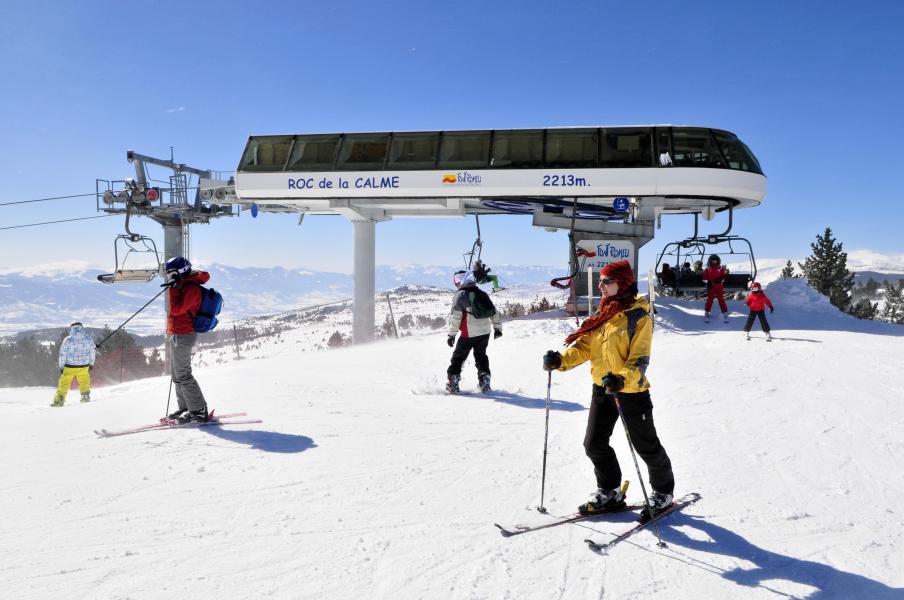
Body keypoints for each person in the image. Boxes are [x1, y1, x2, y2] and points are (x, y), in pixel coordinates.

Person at [542, 260, 675, 520]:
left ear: (622, 283)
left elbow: (639, 361)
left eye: (607, 281)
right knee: (593, 444)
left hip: (631, 391)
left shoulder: (638, 316)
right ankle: (610, 490)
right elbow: (583, 348)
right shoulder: (602, 314)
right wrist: (560, 360)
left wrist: (620, 379)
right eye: (600, 281)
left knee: (645, 445)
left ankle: (663, 493)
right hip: (602, 389)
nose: (601, 286)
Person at [163, 256, 210, 423]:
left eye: (172, 273)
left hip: (184, 334)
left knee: (184, 375)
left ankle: (198, 410)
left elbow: (176, 310)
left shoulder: (191, 288)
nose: (169, 276)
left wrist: (173, 288)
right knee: (176, 376)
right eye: (168, 274)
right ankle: (186, 407)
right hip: (177, 333)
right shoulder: (183, 284)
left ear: (181, 272)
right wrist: (175, 285)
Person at [446, 270, 502, 394]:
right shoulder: (482, 293)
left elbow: (456, 317)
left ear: (459, 282)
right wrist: (497, 328)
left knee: (458, 357)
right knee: (481, 356)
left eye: (456, 283)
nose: (456, 286)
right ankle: (485, 380)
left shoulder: (460, 295)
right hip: (485, 332)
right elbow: (494, 311)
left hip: (469, 333)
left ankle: (453, 382)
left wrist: (451, 335)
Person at [52, 322, 96, 406]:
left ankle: (59, 399)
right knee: (84, 380)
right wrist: (91, 363)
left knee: (64, 383)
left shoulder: (68, 340)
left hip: (69, 366)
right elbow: (92, 352)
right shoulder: (88, 339)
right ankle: (85, 396)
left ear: (71, 328)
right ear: (81, 328)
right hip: (84, 366)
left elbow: (62, 355)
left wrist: (61, 367)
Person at [702, 254, 730, 323]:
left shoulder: (720, 268)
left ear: (718, 261)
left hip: (719, 286)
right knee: (710, 300)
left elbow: (724, 277)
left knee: (721, 299)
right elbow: (704, 278)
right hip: (711, 286)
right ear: (710, 261)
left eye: (715, 261)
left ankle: (725, 312)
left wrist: (721, 279)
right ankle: (707, 312)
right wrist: (708, 282)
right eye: (713, 261)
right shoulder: (708, 269)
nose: (714, 262)